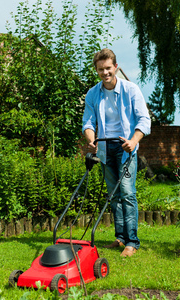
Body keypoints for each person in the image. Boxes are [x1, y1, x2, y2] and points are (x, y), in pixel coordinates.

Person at [82, 48, 151, 257]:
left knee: (128, 193)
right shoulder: (93, 93)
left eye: (108, 68)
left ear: (116, 67)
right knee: (113, 196)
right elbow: (88, 122)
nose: (105, 73)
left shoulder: (131, 90)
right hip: (104, 147)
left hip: (125, 147)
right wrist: (91, 140)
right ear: (97, 70)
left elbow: (144, 120)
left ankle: (132, 242)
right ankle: (120, 238)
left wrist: (133, 141)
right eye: (101, 69)